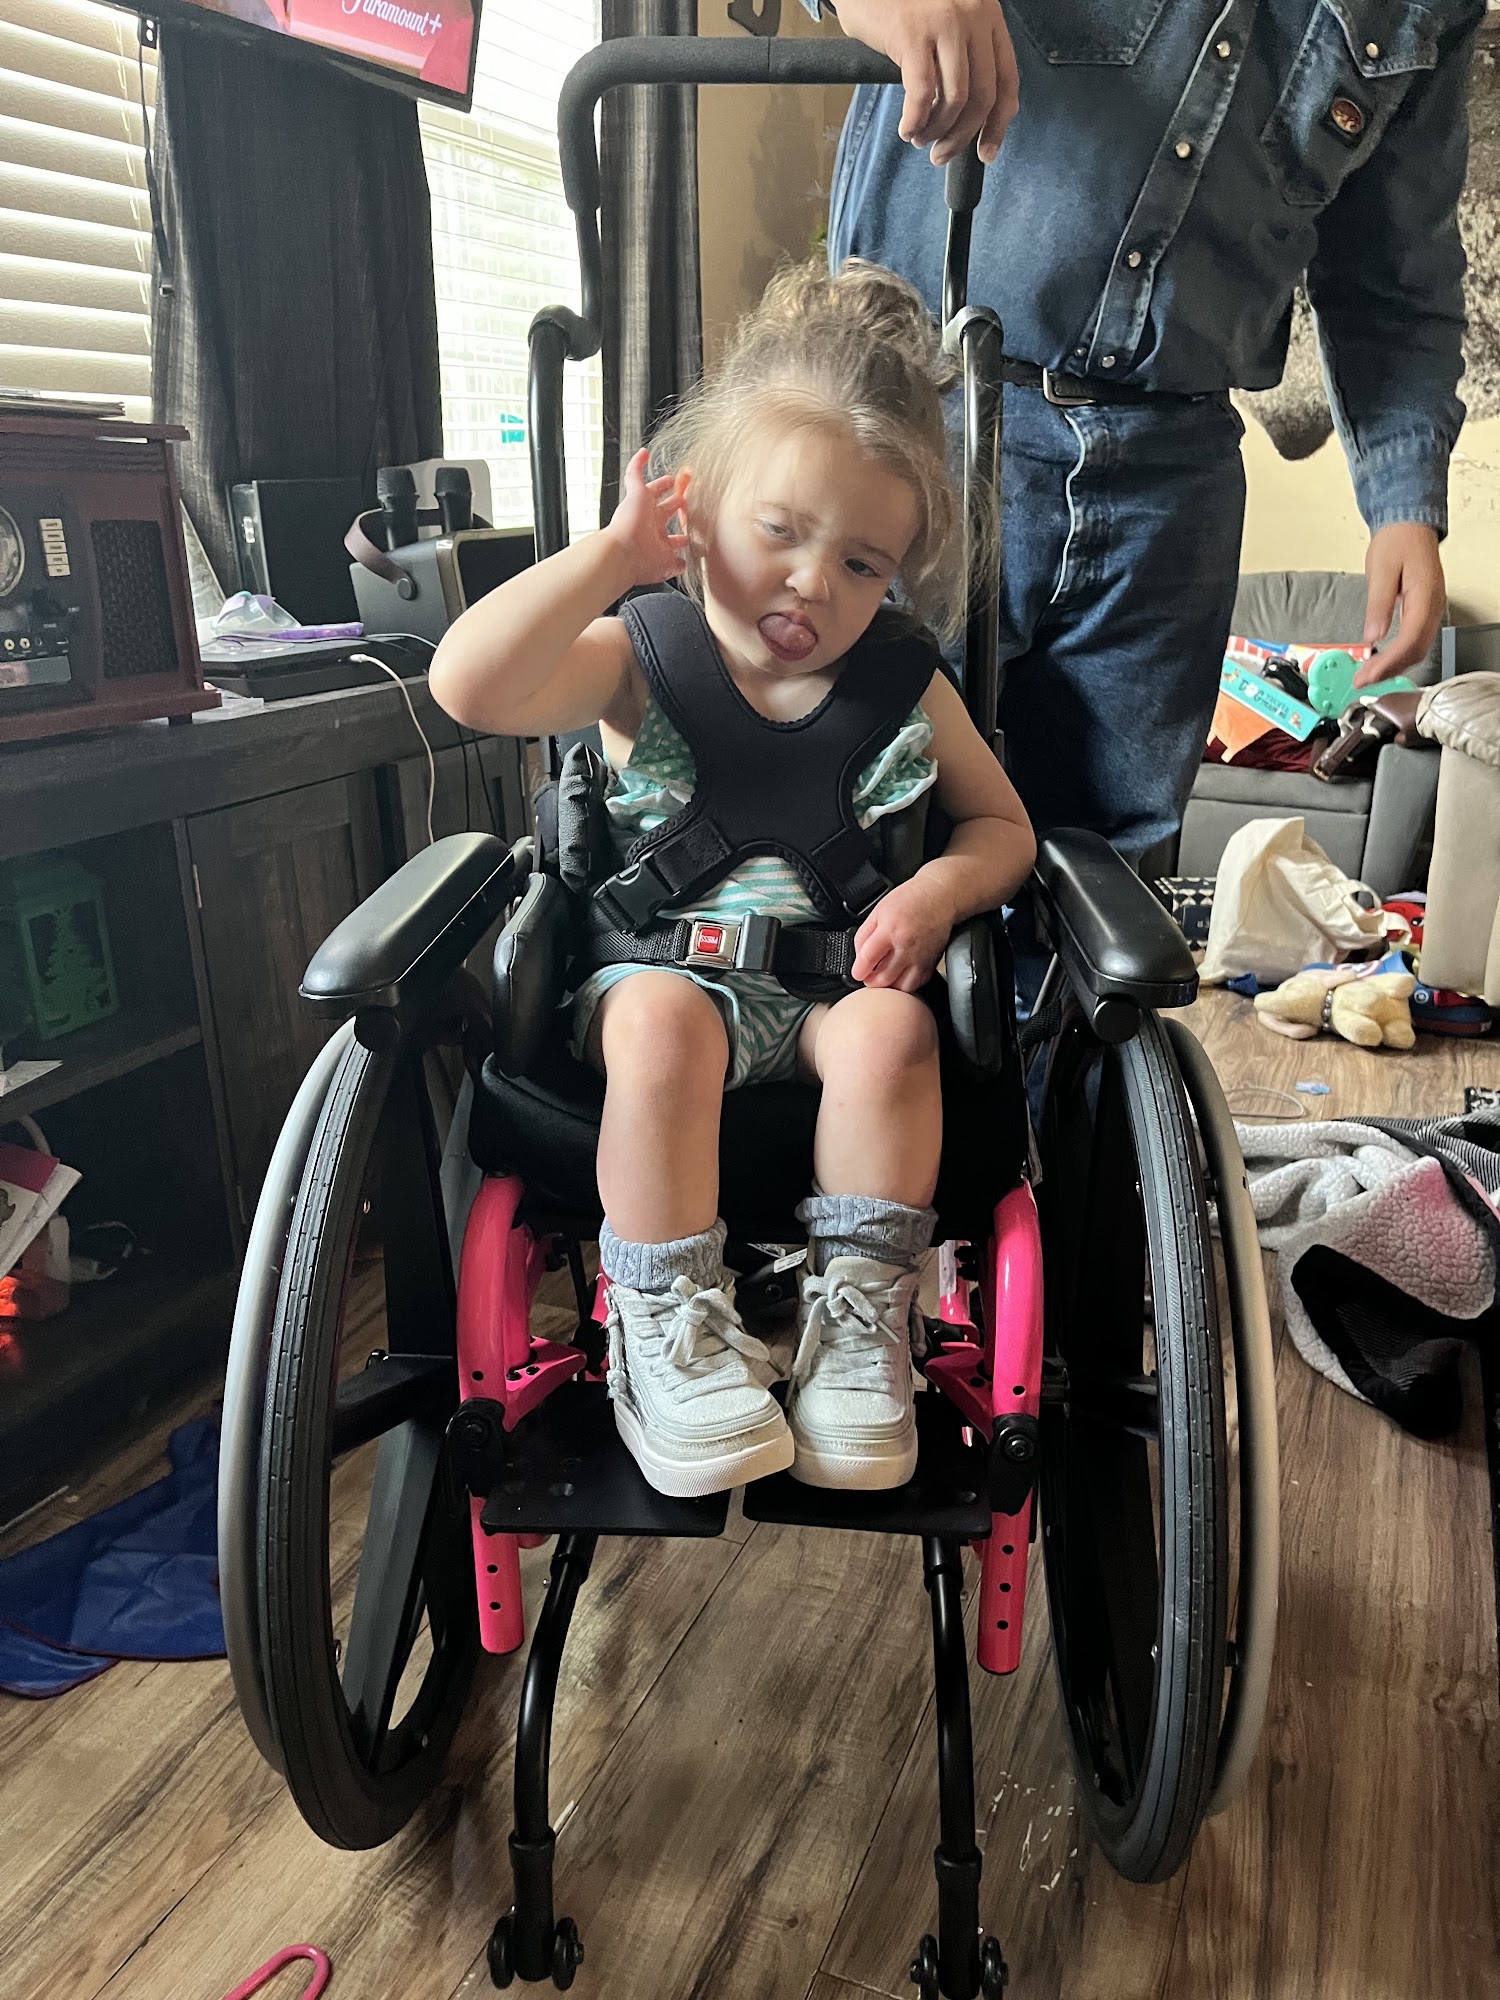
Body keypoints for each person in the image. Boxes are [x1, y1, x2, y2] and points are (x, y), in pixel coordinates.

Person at [430, 260, 1035, 1501]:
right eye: (780, 532)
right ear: (696, 509)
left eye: (863, 563)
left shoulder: (904, 685)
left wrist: (936, 893)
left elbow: (1003, 828)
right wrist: (610, 557)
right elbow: (468, 685)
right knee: (664, 1018)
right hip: (649, 984)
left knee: (895, 1035)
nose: (815, 581)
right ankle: (666, 1325)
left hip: (822, 994)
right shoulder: (636, 657)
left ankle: (859, 1326)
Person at [802, 0, 1485, 987]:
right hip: (922, 419)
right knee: (859, 848)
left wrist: (1404, 501)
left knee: (1108, 908)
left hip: (1175, 475)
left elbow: (1396, 274)